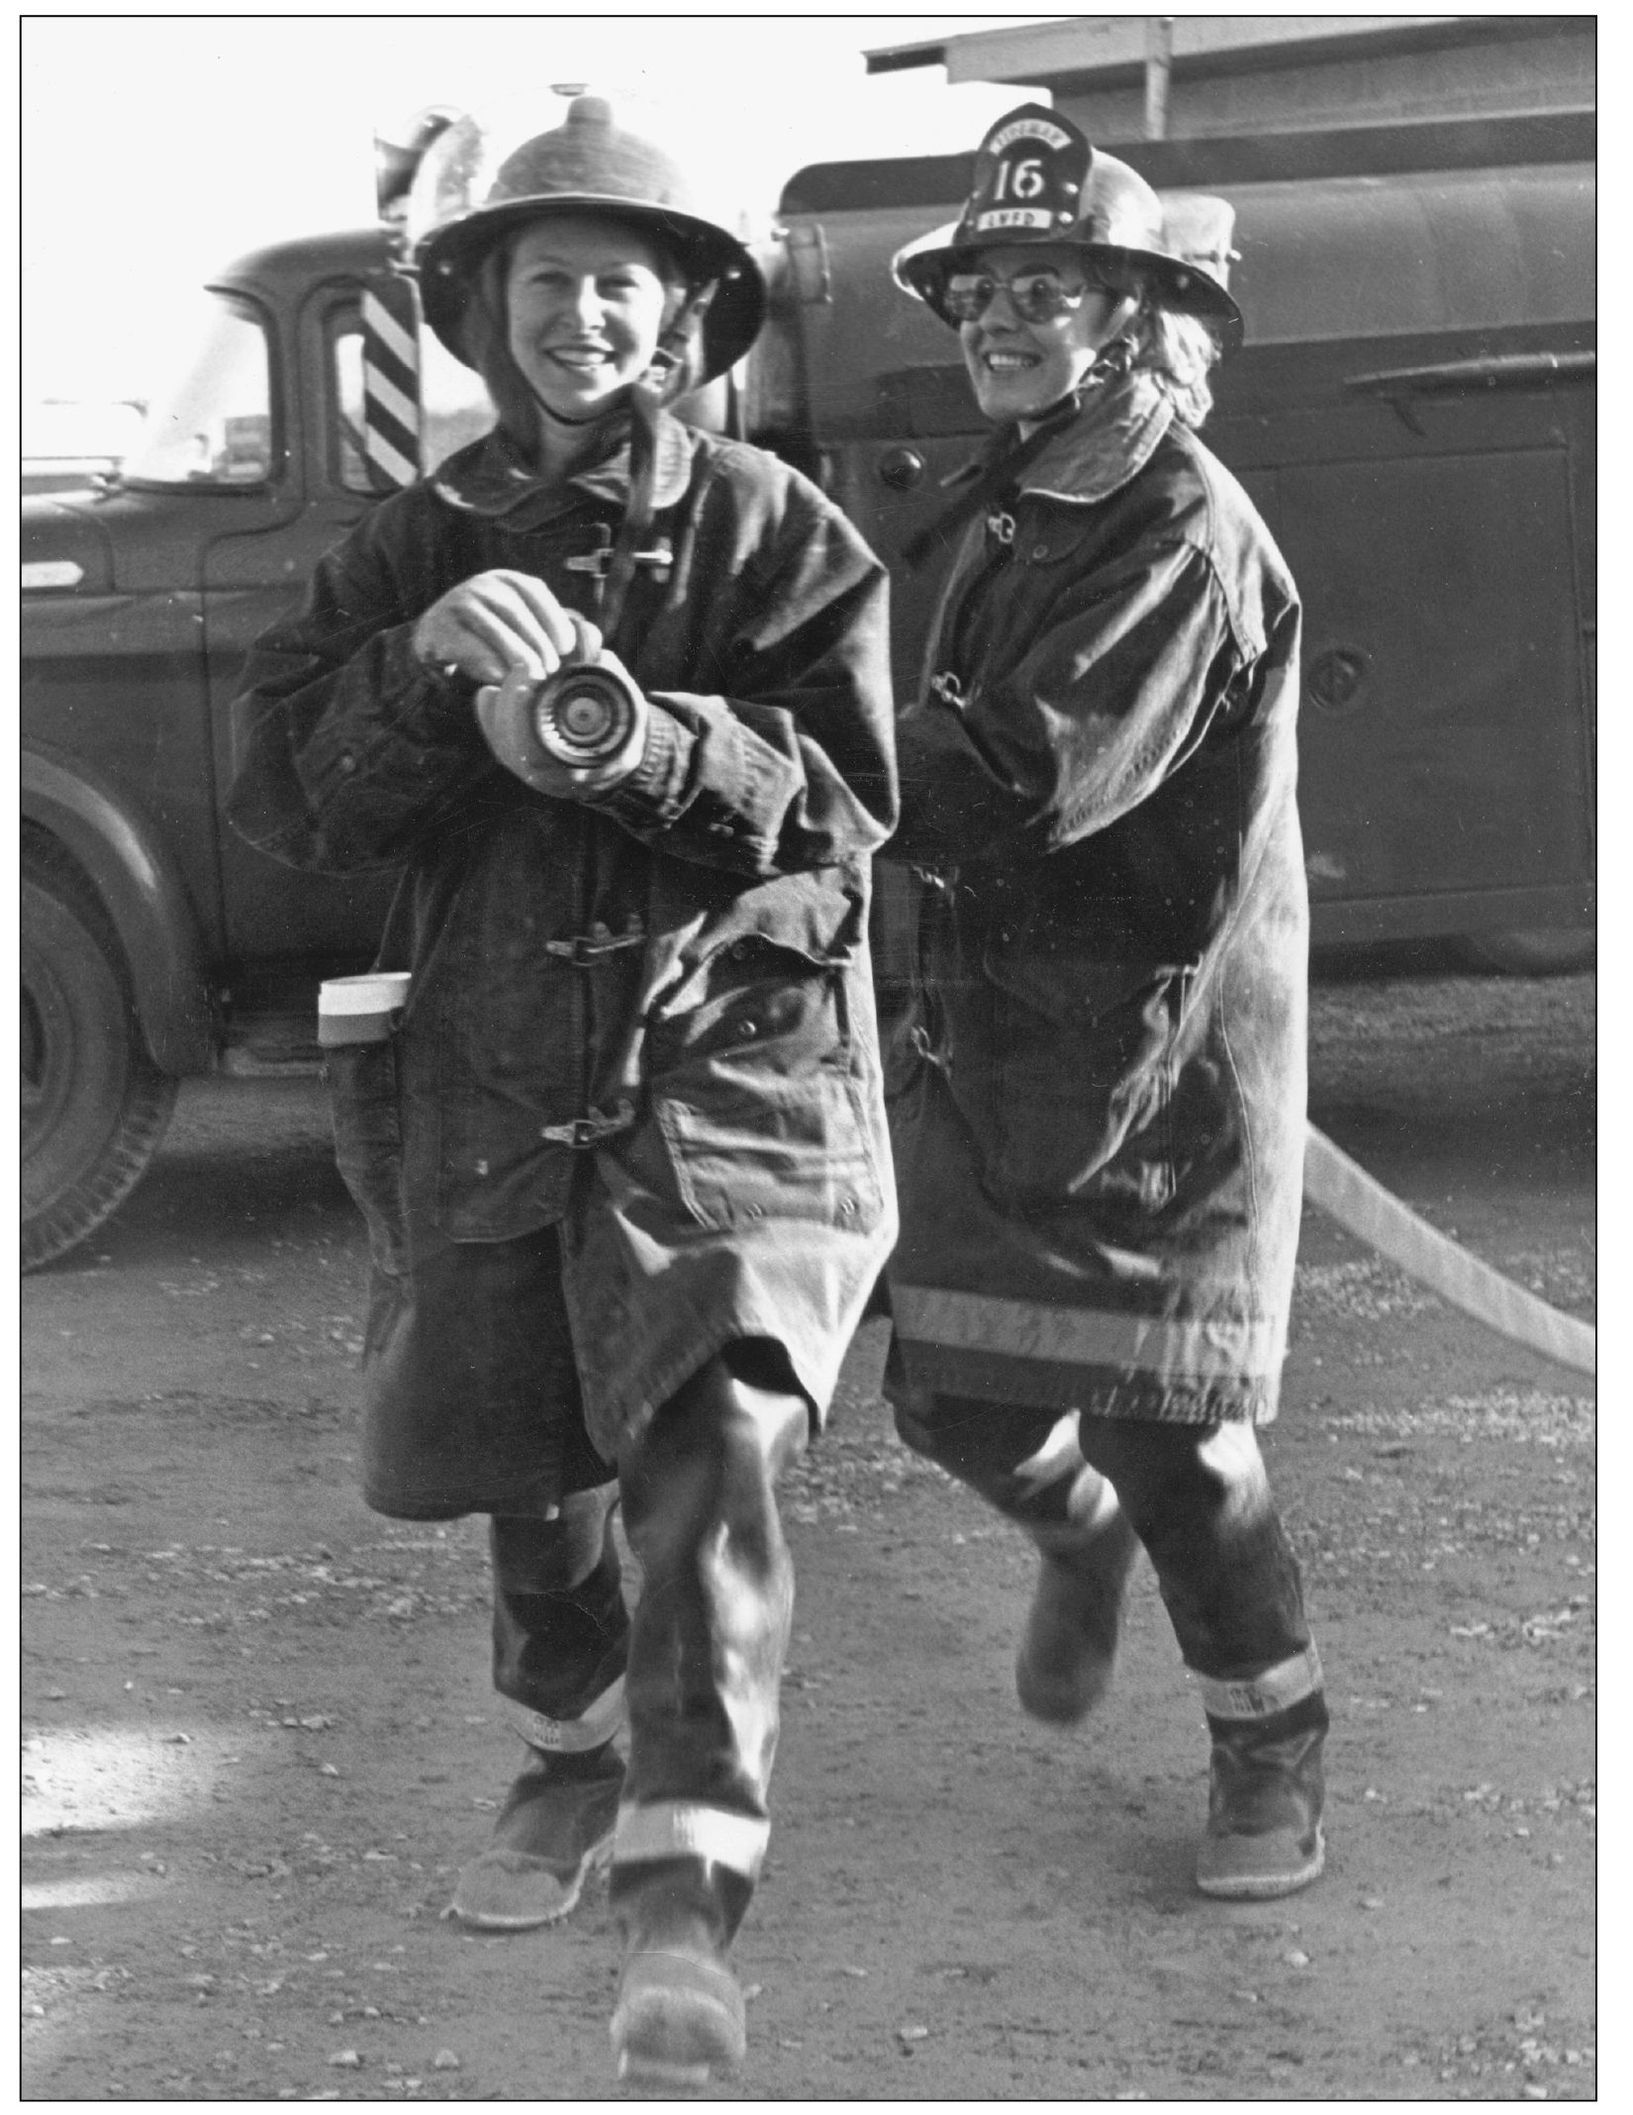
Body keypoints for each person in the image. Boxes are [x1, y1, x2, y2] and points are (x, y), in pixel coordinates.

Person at [228, 95, 897, 2086]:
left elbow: (848, 804)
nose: (582, 318)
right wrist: (428, 665)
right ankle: (563, 1748)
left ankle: (682, 1898)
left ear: (681, 310)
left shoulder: (783, 533)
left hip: (728, 1066)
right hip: (494, 1058)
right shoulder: (412, 543)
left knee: (713, 1438)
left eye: (621, 282)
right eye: (546, 282)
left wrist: (641, 747)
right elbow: (283, 801)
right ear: (486, 309)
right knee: (525, 1462)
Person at [879, 104, 1328, 1900]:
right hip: (1006, 1046)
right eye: (983, 287)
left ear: (1133, 317)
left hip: (1160, 1070)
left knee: (1176, 1432)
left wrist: (766, 767)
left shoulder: (1172, 530)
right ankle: (1074, 1543)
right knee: (951, 1400)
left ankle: (1270, 1748)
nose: (1002, 316)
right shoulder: (1021, 496)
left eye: (1046, 286)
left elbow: (1023, 779)